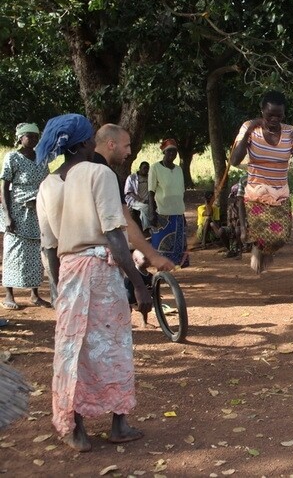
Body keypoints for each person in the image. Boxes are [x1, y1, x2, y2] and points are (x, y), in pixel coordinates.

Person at [35, 113, 152, 452]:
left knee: (75, 349)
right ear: (88, 143)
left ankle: (76, 428)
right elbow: (114, 234)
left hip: (70, 270)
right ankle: (119, 424)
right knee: (113, 347)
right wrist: (139, 284)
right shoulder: (99, 173)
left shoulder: (56, 182)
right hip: (100, 271)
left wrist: (58, 289)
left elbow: (51, 243)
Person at [229, 90, 293, 273]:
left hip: (280, 193)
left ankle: (262, 250)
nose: (274, 119)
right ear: (262, 110)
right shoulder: (250, 127)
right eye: (270, 115)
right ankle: (258, 248)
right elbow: (234, 160)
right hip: (256, 194)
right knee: (261, 235)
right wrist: (248, 132)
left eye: (279, 116)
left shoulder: (291, 133)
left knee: (281, 237)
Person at [93, 125, 175, 273]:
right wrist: (154, 257)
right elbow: (125, 221)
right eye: (126, 146)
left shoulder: (72, 172)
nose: (129, 152)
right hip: (98, 262)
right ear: (111, 144)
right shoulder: (105, 174)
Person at [0, 122, 52, 310]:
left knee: (36, 253)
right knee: (13, 252)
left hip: (37, 211)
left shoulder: (42, 158)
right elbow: (4, 187)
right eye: (29, 135)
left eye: (36, 136)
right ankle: (9, 295)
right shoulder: (12, 157)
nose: (33, 139)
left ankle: (34, 294)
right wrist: (7, 216)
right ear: (20, 138)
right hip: (16, 212)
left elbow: (47, 183)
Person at [148, 139, 187, 267]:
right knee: (161, 244)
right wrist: (151, 212)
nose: (172, 154)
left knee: (177, 245)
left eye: (174, 151)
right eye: (169, 151)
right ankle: (161, 269)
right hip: (162, 213)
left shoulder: (179, 170)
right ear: (164, 152)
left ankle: (173, 268)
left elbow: (181, 192)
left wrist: (183, 214)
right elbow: (151, 192)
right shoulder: (155, 168)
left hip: (177, 212)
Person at [124, 161, 151, 232]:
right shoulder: (132, 178)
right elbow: (129, 192)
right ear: (140, 168)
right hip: (135, 200)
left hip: (147, 200)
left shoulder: (149, 177)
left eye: (148, 168)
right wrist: (141, 200)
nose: (146, 170)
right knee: (145, 207)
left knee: (145, 211)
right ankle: (147, 229)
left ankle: (147, 229)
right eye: (144, 168)